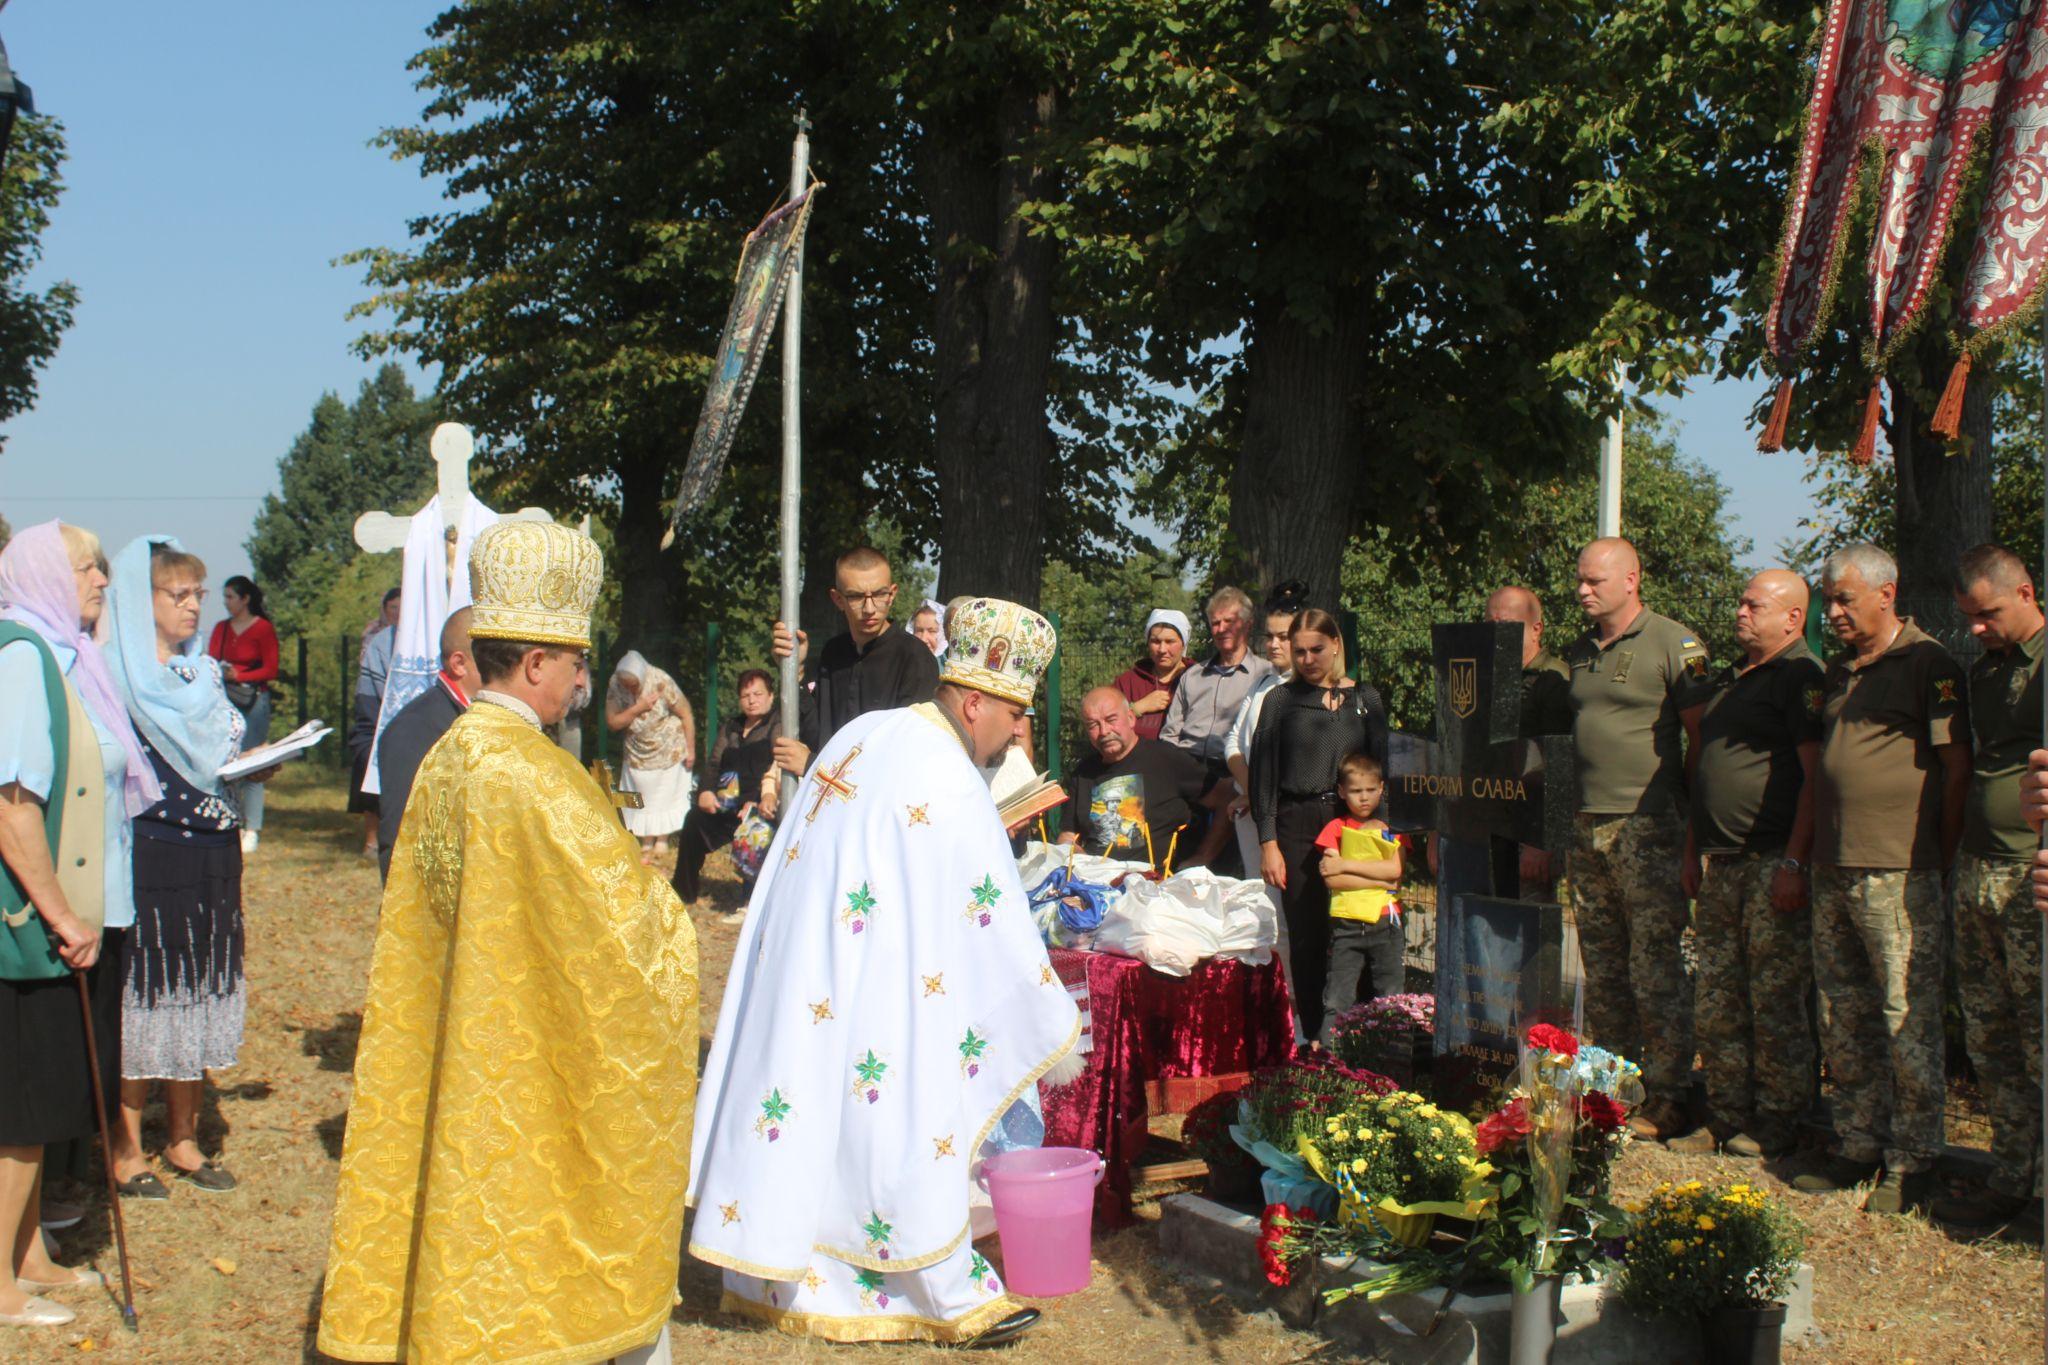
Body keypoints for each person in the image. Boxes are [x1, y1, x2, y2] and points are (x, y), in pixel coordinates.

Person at [320, 520, 698, 1365]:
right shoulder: (536, 776)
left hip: (473, 1034)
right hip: (532, 1050)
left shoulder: (453, 753)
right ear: (534, 663)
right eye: (574, 664)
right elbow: (630, 941)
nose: (581, 681)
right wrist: (662, 906)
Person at [688, 596, 1079, 1348]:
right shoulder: (947, 772)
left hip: (813, 966)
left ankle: (786, 1274)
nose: (1015, 731)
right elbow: (989, 914)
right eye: (1012, 714)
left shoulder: (863, 733)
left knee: (820, 1109)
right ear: (974, 702)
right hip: (889, 976)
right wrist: (1044, 1004)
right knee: (899, 1115)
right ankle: (939, 1291)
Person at [0, 522, 157, 1330]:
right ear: (44, 576)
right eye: (86, 567)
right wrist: (60, 912)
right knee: (23, 1107)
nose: (101, 578)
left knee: (48, 1097)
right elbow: (11, 806)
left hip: (72, 918)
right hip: (31, 925)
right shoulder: (24, 658)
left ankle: (29, 1254)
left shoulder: (67, 656)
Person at [1789, 543, 1969, 1217]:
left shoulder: (1929, 664)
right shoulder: (1839, 670)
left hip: (1899, 869)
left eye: (1845, 599)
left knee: (1904, 1017)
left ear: (1886, 594)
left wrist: (1938, 857)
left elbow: (1957, 768)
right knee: (1843, 1014)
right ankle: (1858, 1140)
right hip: (1834, 865)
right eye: (1829, 599)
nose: (1833, 612)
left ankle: (1914, 1158)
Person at [102, 537, 273, 1198]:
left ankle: (182, 1136)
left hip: (213, 846)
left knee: (199, 984)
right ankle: (124, 1147)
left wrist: (257, 765)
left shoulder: (200, 672)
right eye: (178, 594)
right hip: (154, 847)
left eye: (198, 593)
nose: (193, 605)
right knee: (148, 989)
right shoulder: (115, 674)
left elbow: (217, 756)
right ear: (138, 599)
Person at [1670, 569, 1824, 1160]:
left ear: (1792, 618)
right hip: (1722, 863)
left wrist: (1794, 862)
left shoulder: (1800, 676)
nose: (1740, 612)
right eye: (1741, 602)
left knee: (1776, 998)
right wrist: (1692, 850)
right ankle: (1725, 1113)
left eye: (1754, 605)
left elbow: (1815, 777)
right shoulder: (1733, 679)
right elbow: (1705, 771)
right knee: (1718, 997)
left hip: (1770, 860)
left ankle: (1779, 1119)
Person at [1561, 536, 1708, 1140]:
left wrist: (1692, 828)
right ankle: (1613, 1088)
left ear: (1631, 580)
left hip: (1648, 826)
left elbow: (1702, 741)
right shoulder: (1579, 652)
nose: (1583, 590)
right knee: (1603, 965)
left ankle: (1670, 1094)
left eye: (1594, 580)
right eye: (1580, 579)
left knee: (1655, 964)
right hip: (1584, 825)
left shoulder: (1675, 644)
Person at [1934, 545, 2044, 1236]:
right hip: (1979, 868)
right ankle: (2010, 1177)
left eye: (1988, 613)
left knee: (2040, 1037)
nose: (1976, 628)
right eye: (1969, 616)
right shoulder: (1987, 668)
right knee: (1992, 1036)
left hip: (2032, 876)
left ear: (2026, 592)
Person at [1251, 608, 1388, 1040]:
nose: (1308, 659)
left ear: (1336, 645)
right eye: (1299, 651)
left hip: (1354, 823)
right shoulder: (1280, 701)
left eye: (1317, 649)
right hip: (1296, 823)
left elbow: (1385, 768)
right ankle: (1314, 1039)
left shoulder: (1365, 699)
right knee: (1307, 936)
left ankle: (1364, 1036)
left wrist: (1382, 833)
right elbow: (1262, 775)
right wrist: (1268, 841)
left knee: (1359, 929)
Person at [769, 546, 940, 777]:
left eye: (878, 594)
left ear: (892, 594)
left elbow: (905, 755)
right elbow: (817, 734)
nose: (869, 608)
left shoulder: (914, 657)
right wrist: (795, 670)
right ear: (838, 599)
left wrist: (813, 767)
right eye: (857, 597)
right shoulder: (833, 653)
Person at [374, 608, 477, 882]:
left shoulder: (474, 719)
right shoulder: (416, 728)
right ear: (459, 664)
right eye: (494, 657)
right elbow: (402, 838)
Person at [1484, 584, 1573, 894]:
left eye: (1507, 623)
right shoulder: (1482, 675)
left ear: (1536, 629)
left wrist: (1543, 842)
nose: (1497, 632)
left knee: (1529, 917)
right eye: (1490, 623)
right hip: (1488, 826)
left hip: (1530, 832)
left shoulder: (1555, 679)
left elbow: (1559, 764)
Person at [1060, 687, 1214, 865]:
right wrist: (1076, 857)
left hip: (1155, 876)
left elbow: (1224, 796)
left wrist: (1204, 855)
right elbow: (1067, 835)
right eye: (1093, 725)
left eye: (1111, 720)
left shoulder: (1166, 759)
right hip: (1096, 875)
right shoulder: (1083, 773)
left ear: (1131, 718)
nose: (1104, 731)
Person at [673, 668, 782, 911]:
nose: (752, 700)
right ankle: (682, 892)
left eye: (758, 694)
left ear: (771, 696)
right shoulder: (731, 727)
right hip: (727, 802)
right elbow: (713, 764)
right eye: (745, 695)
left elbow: (777, 769)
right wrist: (705, 791)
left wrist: (759, 800)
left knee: (756, 829)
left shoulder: (777, 725)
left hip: (758, 804)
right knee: (694, 820)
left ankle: (750, 904)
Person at [1314, 752, 1405, 1034]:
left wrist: (1345, 864)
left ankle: (1391, 1055)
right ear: (1342, 792)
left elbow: (1395, 871)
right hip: (1347, 925)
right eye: (1355, 791)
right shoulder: (1335, 828)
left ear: (1381, 789)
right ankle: (1329, 1056)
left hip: (1386, 922)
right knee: (1337, 999)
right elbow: (1333, 879)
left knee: (1391, 998)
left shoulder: (1392, 829)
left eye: (1370, 790)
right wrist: (1381, 880)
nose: (1363, 797)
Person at [1161, 587, 1273, 769]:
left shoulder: (1265, 675)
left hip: (1235, 770)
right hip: (1185, 767)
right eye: (1215, 623)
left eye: (1229, 621)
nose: (1221, 629)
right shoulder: (1192, 676)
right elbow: (1170, 734)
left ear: (1248, 625)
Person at [207, 575, 278, 853]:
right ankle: (232, 821)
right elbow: (210, 661)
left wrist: (240, 675)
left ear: (245, 599)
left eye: (230, 597)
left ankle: (252, 829)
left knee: (254, 763)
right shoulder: (221, 629)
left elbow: (271, 668)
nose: (226, 603)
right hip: (226, 700)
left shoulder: (263, 629)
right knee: (228, 762)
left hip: (254, 701)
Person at [605, 651, 697, 863]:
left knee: (665, 793)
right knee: (643, 794)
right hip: (637, 752)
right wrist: (638, 708)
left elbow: (686, 713)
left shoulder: (660, 680)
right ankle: (646, 839)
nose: (630, 689)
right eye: (626, 685)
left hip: (669, 747)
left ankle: (662, 838)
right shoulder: (615, 683)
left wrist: (691, 748)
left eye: (634, 685)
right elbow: (613, 723)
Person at [346, 588, 401, 860]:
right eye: (393, 607)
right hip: (378, 717)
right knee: (367, 761)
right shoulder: (379, 641)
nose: (399, 613)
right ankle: (372, 839)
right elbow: (367, 698)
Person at [1113, 609, 1191, 743]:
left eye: (1170, 641)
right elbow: (1106, 722)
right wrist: (1138, 707)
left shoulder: (1198, 679)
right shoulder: (1128, 682)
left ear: (1183, 644)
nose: (1162, 649)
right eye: (1155, 641)